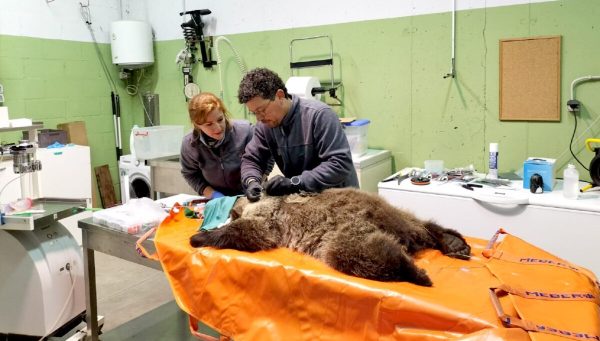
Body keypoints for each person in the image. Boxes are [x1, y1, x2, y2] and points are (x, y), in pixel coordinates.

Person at [238, 67, 358, 202]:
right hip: (306, 201)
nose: (259, 118)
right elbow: (252, 159)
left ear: (280, 96)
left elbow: (339, 164)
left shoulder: (320, 115)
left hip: (341, 200)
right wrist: (252, 181)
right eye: (254, 113)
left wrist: (295, 182)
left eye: (262, 110)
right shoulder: (265, 126)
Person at [180, 92, 255, 199]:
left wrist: (254, 184)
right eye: (209, 124)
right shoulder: (190, 144)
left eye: (220, 120)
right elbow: (190, 174)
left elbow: (265, 159)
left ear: (224, 114)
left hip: (249, 195)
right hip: (217, 200)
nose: (218, 128)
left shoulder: (246, 131)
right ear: (197, 125)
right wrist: (212, 194)